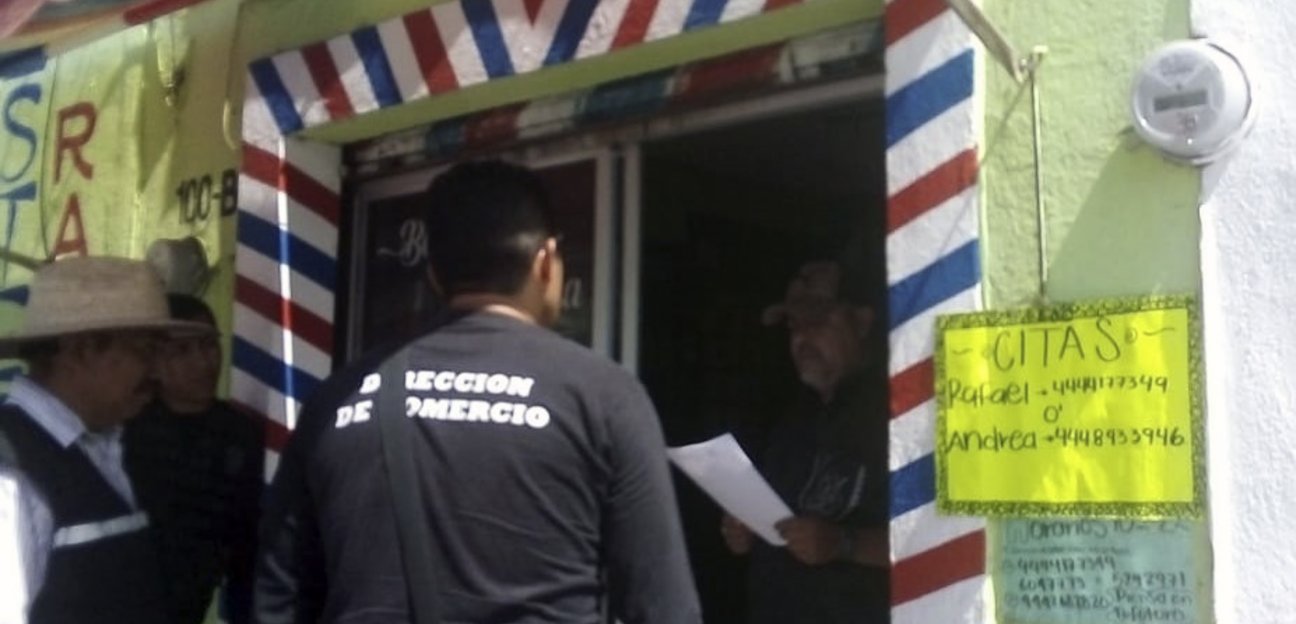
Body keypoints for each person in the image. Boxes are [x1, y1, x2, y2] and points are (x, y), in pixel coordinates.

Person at [255, 160, 702, 624]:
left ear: (433, 273)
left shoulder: (337, 401)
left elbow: (279, 595)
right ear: (545, 261)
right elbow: (664, 608)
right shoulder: (605, 397)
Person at [0, 256, 212, 623]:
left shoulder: (108, 445)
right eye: (145, 352)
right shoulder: (12, 475)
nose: (157, 372)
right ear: (81, 350)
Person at [720, 261, 890, 624]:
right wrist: (745, 529)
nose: (802, 337)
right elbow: (778, 520)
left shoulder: (899, 414)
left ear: (861, 322)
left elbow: (939, 539)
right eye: (794, 325)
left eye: (818, 320)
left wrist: (844, 544)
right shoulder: (793, 420)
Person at [124, 294, 264, 624]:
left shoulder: (239, 435)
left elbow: (247, 547)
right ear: (153, 363)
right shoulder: (127, 431)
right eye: (183, 350)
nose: (203, 362)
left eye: (208, 345)